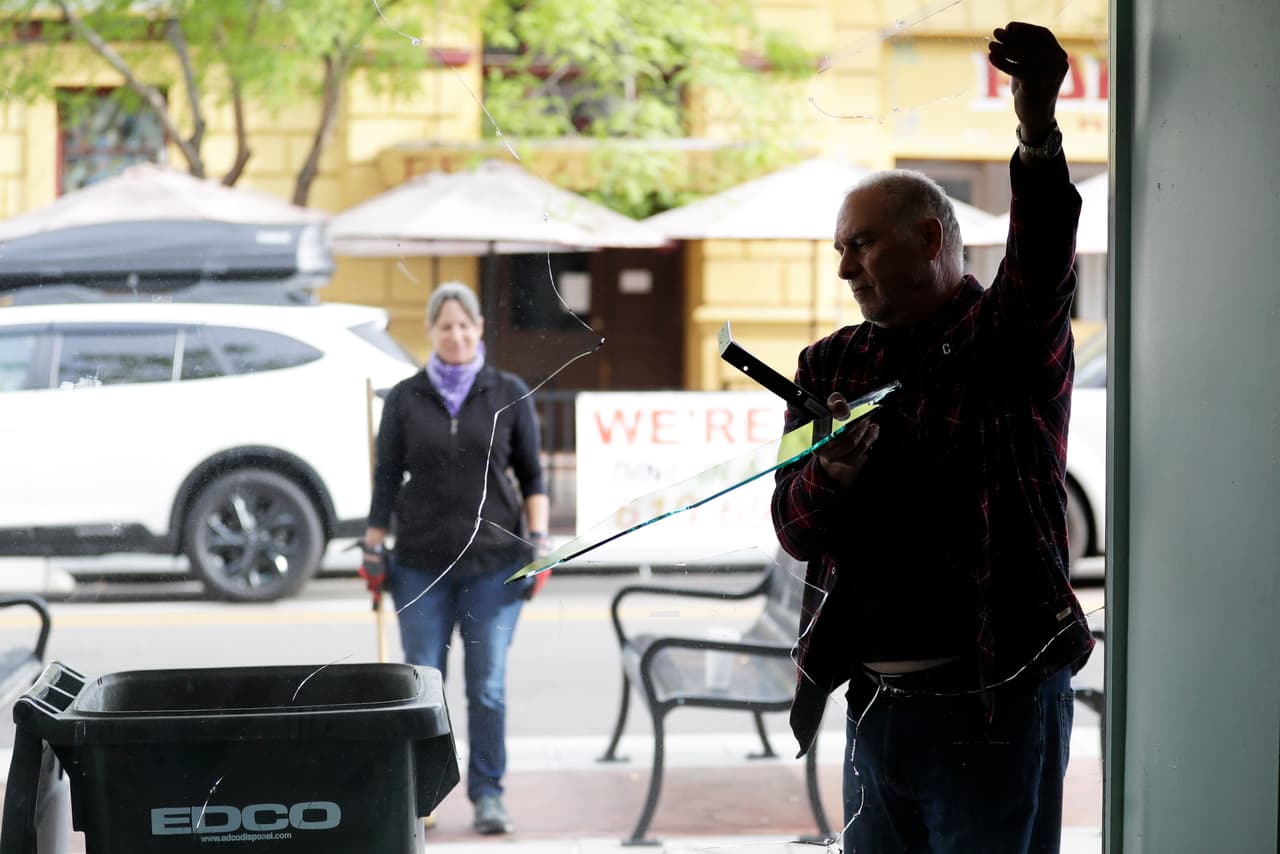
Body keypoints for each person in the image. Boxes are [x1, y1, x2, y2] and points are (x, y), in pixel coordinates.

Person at [771, 22, 1095, 854]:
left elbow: (1042, 255)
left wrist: (1035, 131)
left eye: (863, 244)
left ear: (929, 238)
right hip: (874, 705)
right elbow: (792, 526)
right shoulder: (827, 363)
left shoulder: (1008, 338)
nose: (846, 268)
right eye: (840, 250)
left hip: (998, 703)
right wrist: (830, 478)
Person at [361, 281, 551, 836]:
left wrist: (539, 542)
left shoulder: (508, 391)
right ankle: (423, 795)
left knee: (486, 686)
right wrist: (374, 545)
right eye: (446, 326)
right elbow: (386, 479)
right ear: (431, 332)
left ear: (479, 329)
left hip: (494, 564)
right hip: (420, 564)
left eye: (465, 324)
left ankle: (489, 794)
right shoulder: (404, 397)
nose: (456, 334)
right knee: (424, 683)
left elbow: (534, 478)